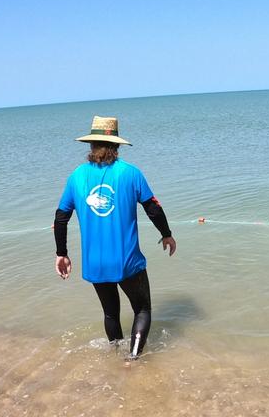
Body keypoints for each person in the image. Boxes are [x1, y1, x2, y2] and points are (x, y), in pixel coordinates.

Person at [53, 116, 176, 361]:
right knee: (142, 309)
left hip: (94, 262)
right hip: (127, 262)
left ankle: (114, 353)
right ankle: (132, 359)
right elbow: (153, 207)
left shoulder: (77, 176)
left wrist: (61, 253)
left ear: (91, 146)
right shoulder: (130, 173)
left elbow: (60, 217)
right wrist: (167, 235)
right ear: (116, 145)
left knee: (110, 314)